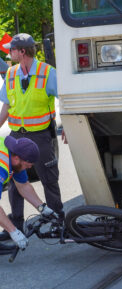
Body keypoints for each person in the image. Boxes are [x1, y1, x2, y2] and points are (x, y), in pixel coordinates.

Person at [0, 33, 64, 241]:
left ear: (22, 52)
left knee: (49, 179)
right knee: (14, 182)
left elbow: (63, 97)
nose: (8, 52)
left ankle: (57, 221)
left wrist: (69, 128)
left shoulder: (47, 72)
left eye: (12, 49)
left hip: (41, 136)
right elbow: (7, 106)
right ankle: (15, 223)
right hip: (17, 135)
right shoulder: (10, 74)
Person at [0, 135, 58, 250]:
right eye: (27, 166)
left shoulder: (14, 154)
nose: (27, 168)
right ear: (17, 159)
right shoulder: (2, 168)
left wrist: (42, 208)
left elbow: (23, 185)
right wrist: (13, 231)